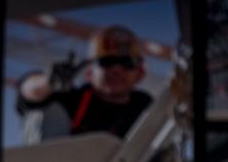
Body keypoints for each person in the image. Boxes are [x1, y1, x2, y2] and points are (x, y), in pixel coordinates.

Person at [17, 25, 153, 141]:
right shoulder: (71, 100)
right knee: (45, 111)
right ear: (89, 73)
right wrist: (49, 81)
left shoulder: (145, 106)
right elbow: (29, 93)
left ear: (140, 73)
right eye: (106, 61)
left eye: (127, 63)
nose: (117, 70)